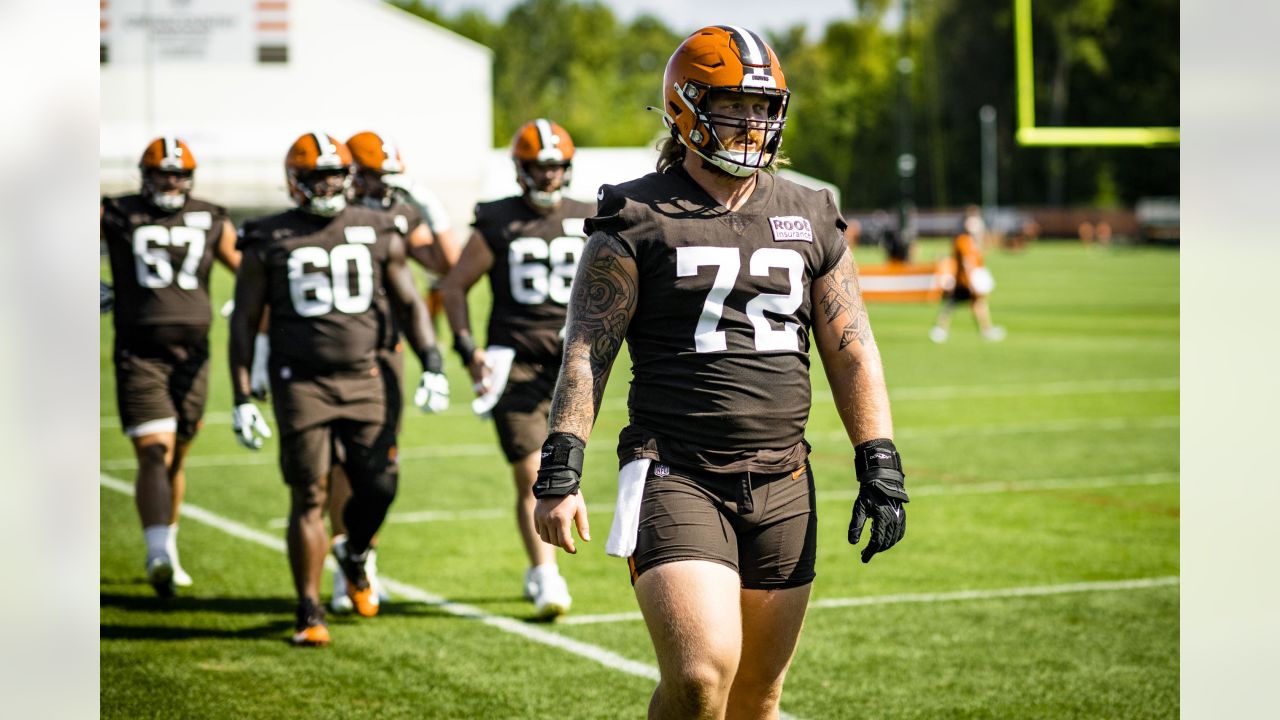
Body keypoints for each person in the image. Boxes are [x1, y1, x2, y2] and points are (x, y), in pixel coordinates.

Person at [532, 26, 909, 718]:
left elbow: (851, 345)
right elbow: (588, 348)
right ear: (686, 106)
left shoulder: (809, 211)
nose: (753, 123)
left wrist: (878, 459)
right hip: (675, 470)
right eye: (734, 105)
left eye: (764, 108)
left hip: (784, 478)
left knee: (758, 698)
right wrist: (560, 470)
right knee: (702, 677)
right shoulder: (636, 214)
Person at [228, 132, 450, 647]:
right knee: (309, 493)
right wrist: (241, 393)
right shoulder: (268, 235)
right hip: (299, 382)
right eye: (316, 176)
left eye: (334, 174)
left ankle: (353, 553)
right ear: (294, 182)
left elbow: (411, 300)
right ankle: (308, 610)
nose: (327, 184)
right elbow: (243, 320)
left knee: (380, 483)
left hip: (367, 377)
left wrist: (433, 362)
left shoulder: (377, 226)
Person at [439, 119, 595, 618]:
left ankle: (540, 570)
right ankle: (547, 574)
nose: (549, 177)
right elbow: (453, 285)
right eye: (539, 168)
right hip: (516, 361)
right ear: (521, 170)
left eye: (556, 167)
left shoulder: (590, 215)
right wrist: (468, 349)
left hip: (575, 364)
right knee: (532, 469)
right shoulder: (499, 219)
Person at [101, 136, 240, 597]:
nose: (171, 180)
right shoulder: (117, 211)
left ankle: (168, 546)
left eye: (179, 173)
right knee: (154, 452)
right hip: (141, 352)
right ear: (145, 175)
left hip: (194, 356)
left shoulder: (210, 215)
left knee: (177, 453)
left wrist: (254, 296)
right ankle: (156, 551)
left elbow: (249, 265)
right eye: (163, 172)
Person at [929, 205, 1005, 342]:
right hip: (963, 281)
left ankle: (985, 330)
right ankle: (940, 330)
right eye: (972, 221)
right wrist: (972, 282)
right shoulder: (963, 240)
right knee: (953, 305)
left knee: (976, 304)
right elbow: (966, 262)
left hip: (968, 280)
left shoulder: (972, 240)